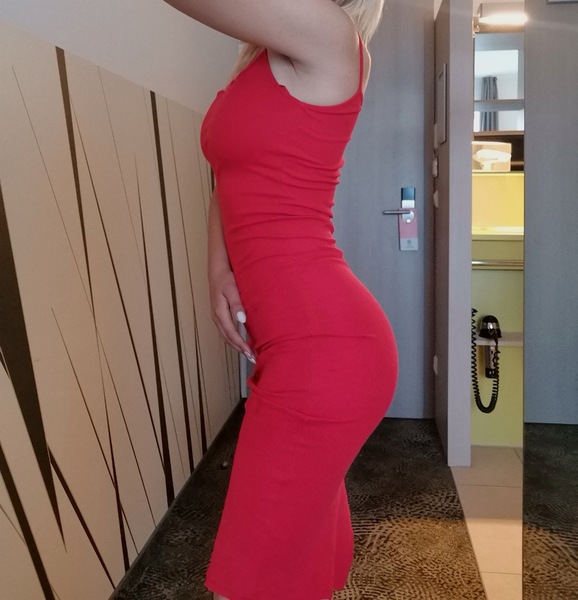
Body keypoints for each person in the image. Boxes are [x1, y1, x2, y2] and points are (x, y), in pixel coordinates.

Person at [163, 1, 399, 598]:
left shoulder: (330, 36)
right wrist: (218, 268)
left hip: (326, 354)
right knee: (290, 575)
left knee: (250, 583)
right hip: (297, 351)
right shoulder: (265, 58)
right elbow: (232, 166)